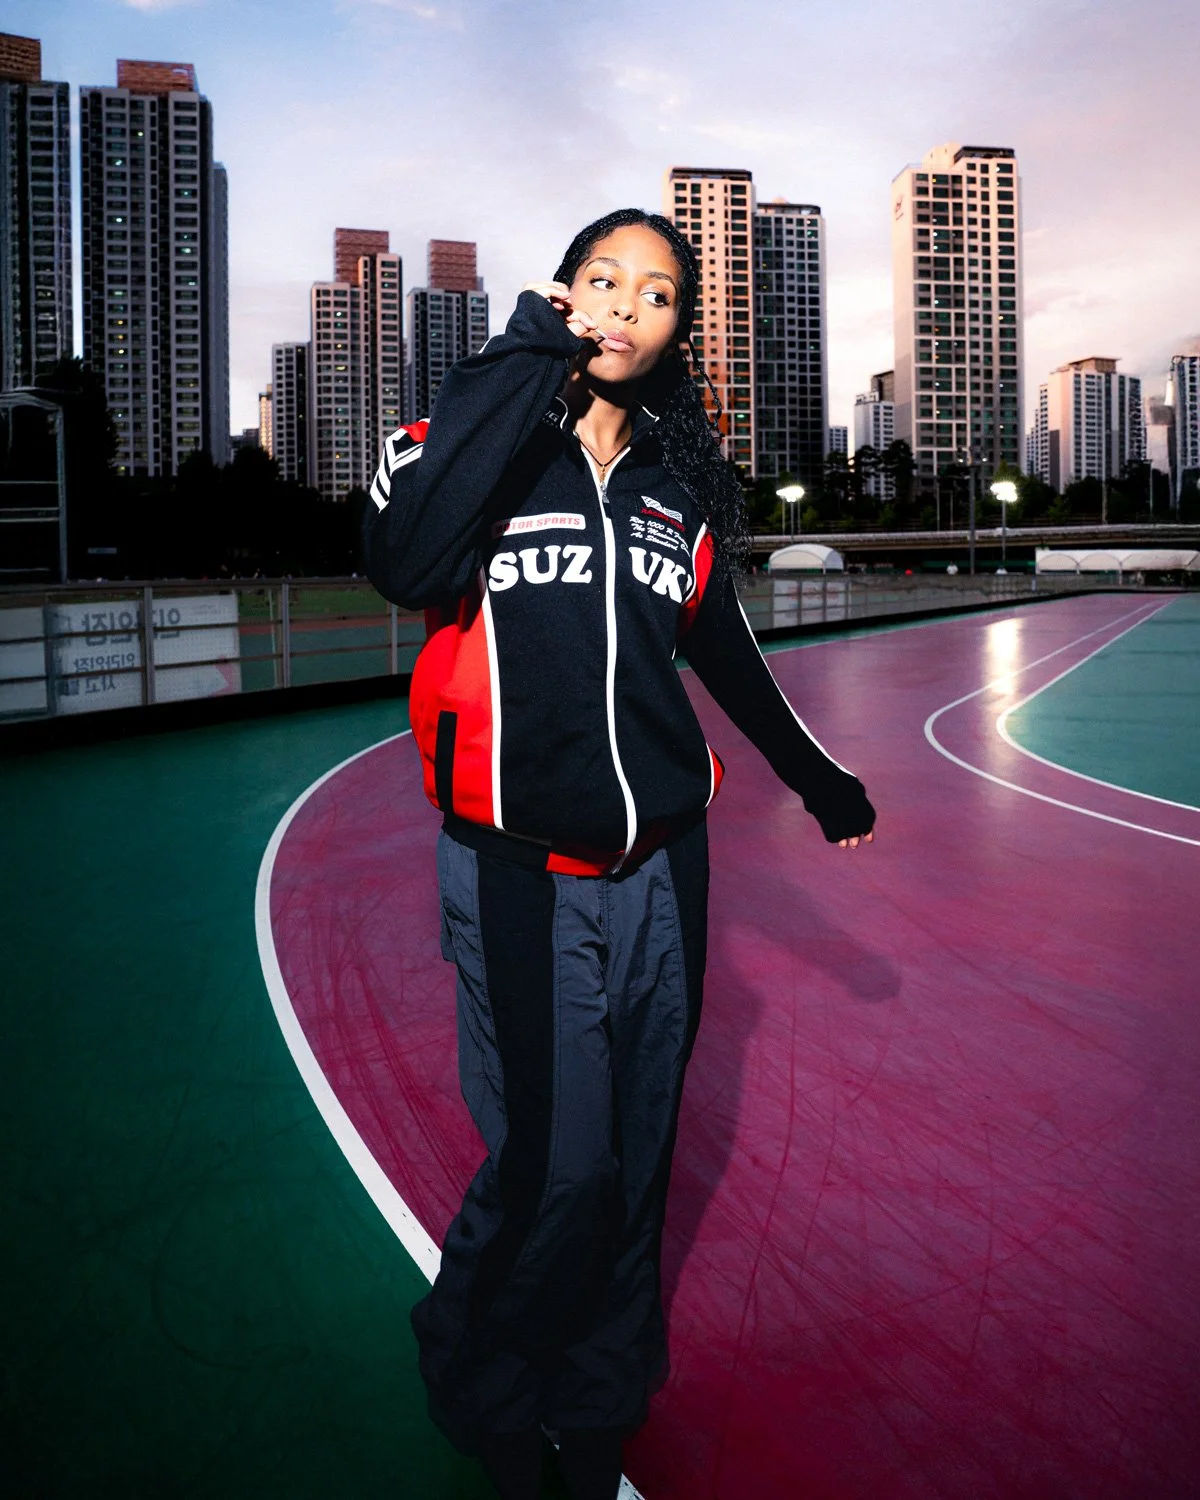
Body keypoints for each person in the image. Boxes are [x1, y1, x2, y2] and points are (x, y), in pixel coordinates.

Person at [362, 209, 876, 1500]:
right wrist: (526, 348)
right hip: (517, 870)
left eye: (656, 294)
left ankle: (599, 1398)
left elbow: (720, 648)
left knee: (637, 1158)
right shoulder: (477, 448)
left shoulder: (672, 487)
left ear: (670, 335)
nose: (625, 304)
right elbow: (400, 555)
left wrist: (813, 776)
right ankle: (478, 1370)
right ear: (563, 291)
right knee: (556, 1163)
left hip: (665, 872)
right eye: (603, 279)